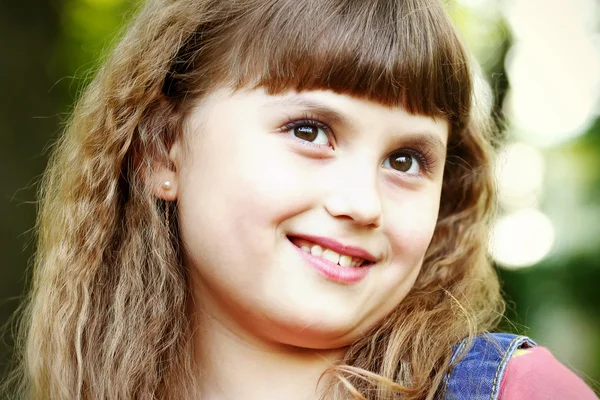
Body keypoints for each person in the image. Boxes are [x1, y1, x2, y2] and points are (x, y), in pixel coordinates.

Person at [4, 0, 598, 399]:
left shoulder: (522, 392)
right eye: (309, 131)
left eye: (405, 161)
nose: (362, 204)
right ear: (163, 149)